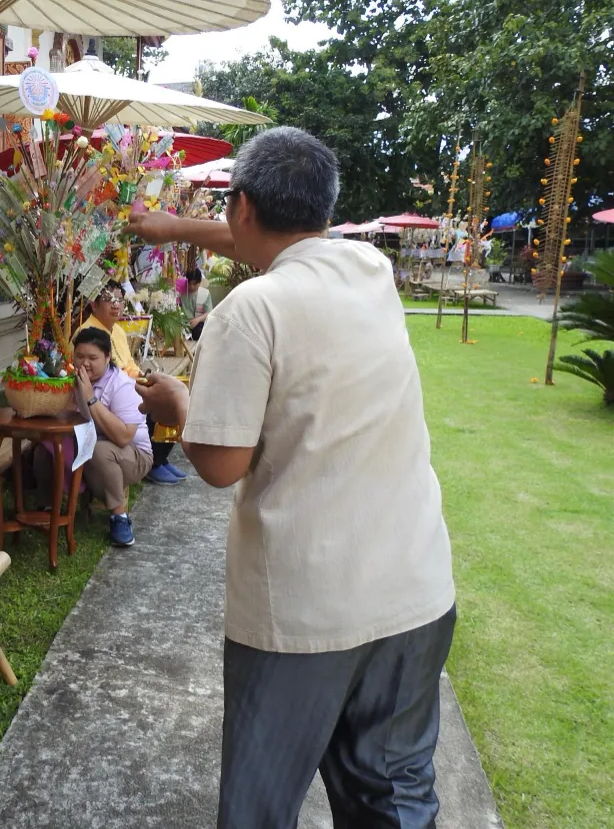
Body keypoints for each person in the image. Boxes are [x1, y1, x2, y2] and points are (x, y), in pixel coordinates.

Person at [127, 126, 456, 829]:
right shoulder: (371, 269)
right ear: (326, 208)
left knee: (260, 805)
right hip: (413, 589)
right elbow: (276, 246)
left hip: (307, 613)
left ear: (240, 205)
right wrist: (171, 227)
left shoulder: (249, 311)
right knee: (392, 797)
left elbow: (221, 464)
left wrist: (179, 405)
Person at [32, 327, 153, 547]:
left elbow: (124, 437)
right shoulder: (72, 376)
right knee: (45, 449)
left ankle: (119, 517)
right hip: (88, 442)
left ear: (107, 357)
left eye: (92, 358)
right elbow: (64, 418)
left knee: (99, 452)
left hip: (134, 455)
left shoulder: (122, 385)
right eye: (79, 356)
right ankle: (49, 507)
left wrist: (90, 398)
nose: (84, 363)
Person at [76, 282, 187, 486]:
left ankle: (160, 458)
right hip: (108, 391)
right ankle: (153, 464)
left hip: (127, 382)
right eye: (109, 299)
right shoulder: (87, 333)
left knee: (170, 395)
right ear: (93, 304)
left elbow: (127, 363)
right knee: (155, 402)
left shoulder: (116, 330)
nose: (116, 305)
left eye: (119, 299)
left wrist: (142, 375)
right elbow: (104, 372)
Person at [180, 267, 213, 341]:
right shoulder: (181, 293)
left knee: (199, 331)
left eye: (194, 284)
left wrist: (198, 319)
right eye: (190, 283)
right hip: (184, 325)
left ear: (200, 282)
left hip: (199, 324)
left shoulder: (205, 293)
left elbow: (209, 313)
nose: (192, 286)